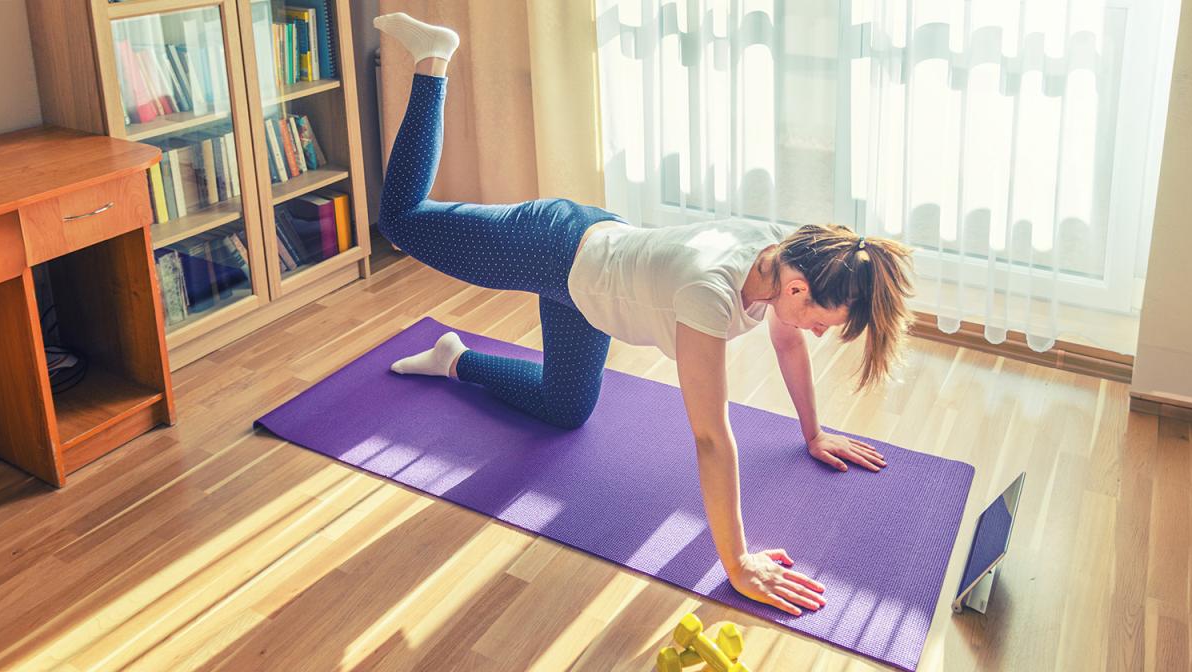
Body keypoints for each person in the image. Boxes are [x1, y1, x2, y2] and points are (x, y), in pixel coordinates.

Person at [372, 12, 916, 617]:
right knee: (401, 220)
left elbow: (788, 345)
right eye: (821, 318)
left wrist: (812, 434)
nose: (816, 331)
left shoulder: (780, 255)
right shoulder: (712, 294)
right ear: (795, 286)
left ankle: (455, 360)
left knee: (564, 408)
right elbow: (712, 438)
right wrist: (737, 564)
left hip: (589, 289)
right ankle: (433, 59)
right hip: (550, 245)